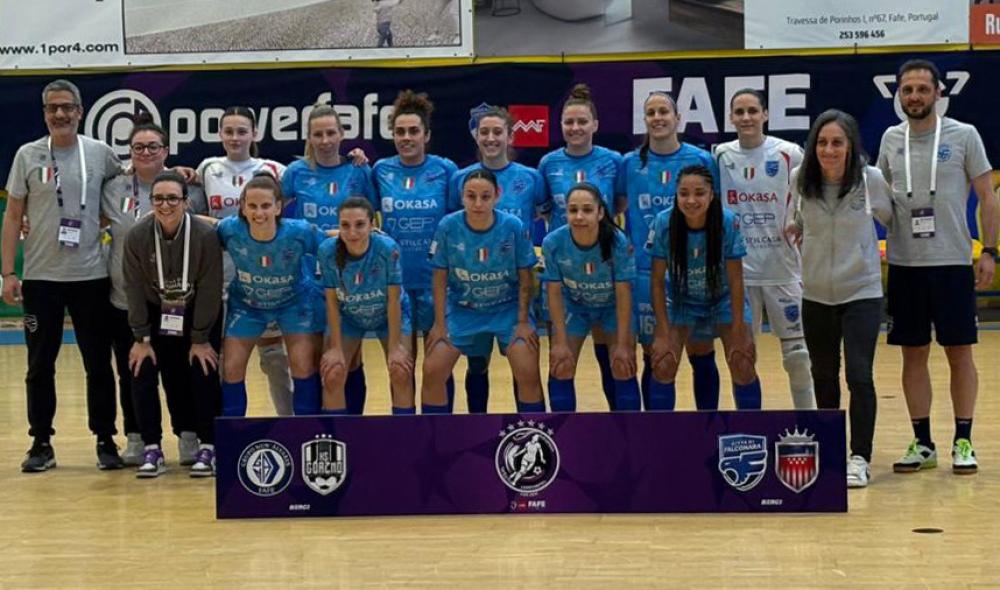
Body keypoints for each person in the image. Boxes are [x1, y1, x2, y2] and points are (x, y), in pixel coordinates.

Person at [877, 59, 998, 474]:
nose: (914, 97)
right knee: (913, 355)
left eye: (922, 89)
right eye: (907, 90)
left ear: (938, 93)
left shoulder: (964, 135)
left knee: (959, 353)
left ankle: (963, 440)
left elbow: (988, 196)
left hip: (952, 264)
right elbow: (880, 197)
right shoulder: (891, 138)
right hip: (905, 265)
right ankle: (923, 443)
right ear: (899, 95)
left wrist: (989, 250)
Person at [2, 79, 124, 472]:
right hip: (41, 279)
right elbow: (13, 216)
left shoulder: (101, 153)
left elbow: (129, 190)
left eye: (67, 107)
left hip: (92, 277)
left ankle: (105, 438)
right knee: (39, 364)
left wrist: (180, 174)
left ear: (80, 111)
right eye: (53, 107)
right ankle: (40, 442)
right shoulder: (28, 155)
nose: (60, 114)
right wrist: (8, 272)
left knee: (98, 363)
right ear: (44, 113)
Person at [787, 109, 892, 488]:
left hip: (861, 293)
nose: (829, 150)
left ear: (850, 146)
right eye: (822, 142)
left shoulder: (870, 179)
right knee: (823, 375)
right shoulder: (800, 179)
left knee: (859, 375)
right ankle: (830, 451)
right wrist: (796, 226)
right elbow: (800, 219)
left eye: (837, 143)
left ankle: (860, 457)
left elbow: (891, 219)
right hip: (815, 295)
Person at [103, 114, 205, 467]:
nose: (145, 152)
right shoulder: (112, 188)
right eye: (138, 147)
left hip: (176, 300)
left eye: (152, 146)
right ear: (129, 151)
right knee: (133, 369)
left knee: (177, 370)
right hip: (127, 298)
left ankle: (188, 434)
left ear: (166, 150)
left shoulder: (190, 187)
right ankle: (138, 437)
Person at [620, 90, 722, 410]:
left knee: (701, 352)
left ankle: (705, 427)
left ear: (678, 118)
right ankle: (658, 431)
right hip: (647, 274)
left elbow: (715, 212)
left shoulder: (701, 160)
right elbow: (616, 206)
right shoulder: (630, 163)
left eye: (663, 112)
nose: (657, 118)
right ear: (644, 120)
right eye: (651, 113)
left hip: (695, 273)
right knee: (656, 355)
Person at [715, 88, 815, 410]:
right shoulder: (720, 156)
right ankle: (748, 425)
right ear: (731, 117)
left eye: (753, 111)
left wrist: (800, 223)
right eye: (739, 112)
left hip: (783, 269)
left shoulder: (789, 154)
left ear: (765, 114)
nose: (746, 118)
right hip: (739, 275)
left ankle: (809, 420)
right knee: (741, 356)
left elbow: (809, 198)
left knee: (798, 357)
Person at [122, 170, 223, 478]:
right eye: (158, 199)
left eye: (172, 199)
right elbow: (133, 287)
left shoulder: (205, 236)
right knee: (142, 369)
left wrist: (200, 338)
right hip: (157, 312)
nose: (165, 205)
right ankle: (152, 447)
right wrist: (141, 338)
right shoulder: (137, 236)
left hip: (198, 311)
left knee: (202, 368)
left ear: (186, 201)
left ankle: (208, 444)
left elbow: (210, 287)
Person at [450, 106, 548, 413]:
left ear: (510, 136)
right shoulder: (460, 178)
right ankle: (477, 427)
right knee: (477, 364)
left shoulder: (531, 178)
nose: (491, 138)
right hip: (474, 292)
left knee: (524, 364)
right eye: (484, 132)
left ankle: (530, 430)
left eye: (497, 132)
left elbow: (546, 216)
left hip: (517, 290)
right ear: (475, 136)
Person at [196, 106, 293, 416]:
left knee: (274, 358)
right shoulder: (207, 168)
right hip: (221, 278)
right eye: (229, 131)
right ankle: (226, 429)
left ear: (255, 133)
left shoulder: (276, 170)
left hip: (265, 279)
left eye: (242, 131)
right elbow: (196, 213)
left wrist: (353, 158)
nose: (235, 138)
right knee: (226, 361)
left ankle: (290, 423)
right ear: (219, 134)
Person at [422, 169, 544, 414]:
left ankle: (533, 430)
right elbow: (439, 277)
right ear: (462, 196)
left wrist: (523, 322)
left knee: (527, 368)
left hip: (507, 309)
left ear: (497, 195)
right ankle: (434, 434)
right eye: (471, 196)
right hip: (462, 310)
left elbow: (525, 278)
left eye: (485, 196)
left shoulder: (513, 226)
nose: (478, 203)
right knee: (433, 369)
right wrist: (439, 324)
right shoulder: (448, 226)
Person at [282, 104, 376, 415]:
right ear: (308, 137)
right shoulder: (295, 172)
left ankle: (352, 428)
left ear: (342, 134)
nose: (325, 141)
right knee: (308, 359)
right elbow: (270, 210)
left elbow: (375, 219)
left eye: (330, 133)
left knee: (350, 358)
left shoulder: (358, 170)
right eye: (317, 134)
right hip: (308, 280)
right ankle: (311, 430)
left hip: (350, 279)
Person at [647, 165, 760, 410]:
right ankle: (661, 433)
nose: (691, 200)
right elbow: (656, 281)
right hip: (682, 302)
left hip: (722, 300)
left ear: (711, 195)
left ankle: (750, 428)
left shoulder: (727, 222)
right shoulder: (664, 222)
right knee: (663, 363)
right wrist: (663, 332)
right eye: (684, 193)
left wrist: (739, 328)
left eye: (699, 193)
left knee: (742, 361)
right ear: (676, 195)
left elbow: (736, 279)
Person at [539, 83, 624, 410]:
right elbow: (544, 209)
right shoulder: (548, 164)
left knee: (612, 359)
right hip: (564, 276)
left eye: (582, 121)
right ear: (560, 125)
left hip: (605, 270)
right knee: (561, 359)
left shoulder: (614, 161)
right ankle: (564, 431)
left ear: (595, 125)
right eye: (569, 122)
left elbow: (618, 204)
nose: (575, 128)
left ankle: (620, 427)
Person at [373, 90, 459, 407]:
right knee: (400, 370)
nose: (406, 137)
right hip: (396, 287)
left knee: (438, 371)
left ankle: (441, 431)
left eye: (413, 131)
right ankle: (404, 432)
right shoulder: (380, 170)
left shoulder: (446, 170)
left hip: (436, 285)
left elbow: (457, 225)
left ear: (427, 135)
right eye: (400, 132)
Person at [216, 173, 327, 417]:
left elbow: (329, 243)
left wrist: (367, 233)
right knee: (231, 367)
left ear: (278, 207)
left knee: (303, 365)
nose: (259, 213)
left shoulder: (299, 231)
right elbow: (207, 225)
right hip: (247, 305)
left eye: (266, 205)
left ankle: (305, 430)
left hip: (293, 303)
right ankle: (233, 433)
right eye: (252, 206)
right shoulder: (229, 229)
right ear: (243, 207)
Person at [543, 183, 638, 411]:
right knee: (561, 365)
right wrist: (560, 342)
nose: (579, 216)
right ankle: (564, 428)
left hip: (611, 307)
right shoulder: (553, 242)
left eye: (587, 210)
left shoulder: (617, 241)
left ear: (600, 212)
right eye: (573, 210)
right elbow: (554, 293)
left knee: (622, 365)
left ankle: (627, 429)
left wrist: (623, 344)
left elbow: (624, 293)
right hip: (574, 307)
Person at [317, 198, 415, 414]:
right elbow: (331, 301)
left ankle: (405, 432)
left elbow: (393, 300)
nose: (352, 232)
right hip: (349, 317)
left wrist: (395, 347)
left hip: (388, 316)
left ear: (372, 225)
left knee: (400, 370)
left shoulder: (387, 248)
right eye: (345, 225)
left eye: (360, 224)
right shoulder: (327, 251)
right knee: (333, 372)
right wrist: (335, 348)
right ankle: (336, 433)